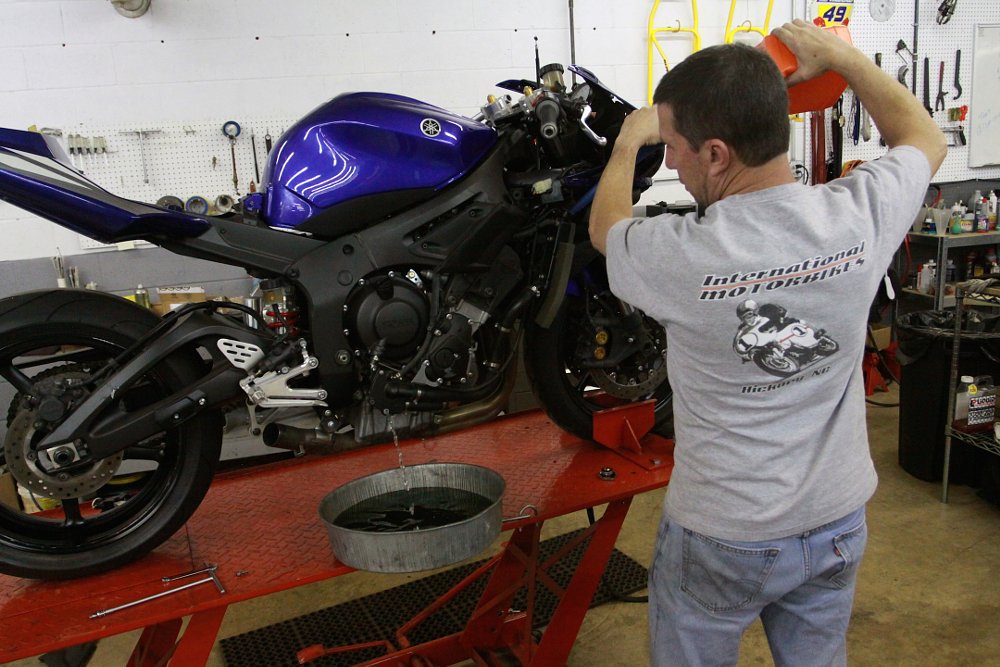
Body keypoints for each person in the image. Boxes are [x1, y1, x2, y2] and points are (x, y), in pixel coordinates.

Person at [589, 19, 946, 667]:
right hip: (837, 523)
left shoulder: (680, 254)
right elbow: (923, 135)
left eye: (671, 146)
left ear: (717, 154)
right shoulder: (859, 215)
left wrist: (626, 144)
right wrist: (843, 57)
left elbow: (605, 226)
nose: (667, 160)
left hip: (725, 534)